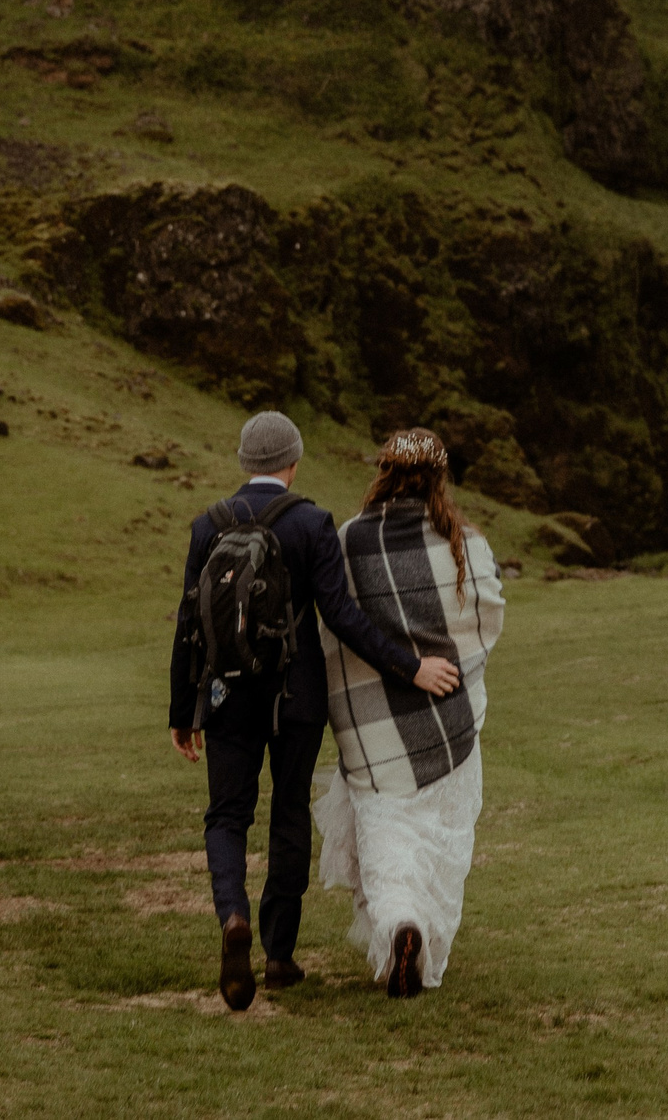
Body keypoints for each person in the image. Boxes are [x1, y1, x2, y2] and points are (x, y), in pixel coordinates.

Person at [169, 410, 462, 1012]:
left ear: (245, 461)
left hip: (224, 698)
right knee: (288, 814)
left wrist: (183, 709)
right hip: (296, 700)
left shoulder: (208, 525)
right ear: (294, 461)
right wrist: (410, 666)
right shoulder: (311, 522)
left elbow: (188, 622)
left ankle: (232, 918)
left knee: (226, 816)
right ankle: (278, 955)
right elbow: (343, 618)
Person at [314, 427, 506, 998]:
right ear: (439, 479)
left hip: (373, 732)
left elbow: (336, 624)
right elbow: (487, 619)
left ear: (383, 472)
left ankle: (402, 923)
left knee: (385, 838)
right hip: (448, 724)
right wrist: (442, 663)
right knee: (443, 844)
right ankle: (424, 941)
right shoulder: (465, 544)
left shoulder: (349, 541)